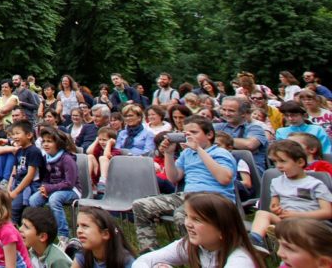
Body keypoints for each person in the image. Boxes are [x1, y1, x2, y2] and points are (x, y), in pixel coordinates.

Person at [131, 115, 237, 252]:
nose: (189, 136)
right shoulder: (187, 154)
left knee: (183, 215)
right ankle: (149, 252)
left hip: (214, 198)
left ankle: (198, 255)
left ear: (209, 134)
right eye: (186, 133)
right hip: (188, 196)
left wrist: (199, 150)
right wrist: (168, 154)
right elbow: (173, 178)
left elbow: (224, 178)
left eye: (194, 132)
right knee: (140, 205)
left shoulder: (219, 152)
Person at [132, 192, 264, 268]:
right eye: (187, 217)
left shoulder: (240, 260)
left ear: (222, 230)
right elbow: (143, 261)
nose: (188, 224)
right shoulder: (193, 246)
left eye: (197, 220)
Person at [248, 140, 332, 251]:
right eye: (274, 162)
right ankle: (256, 241)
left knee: (296, 228)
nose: (278, 166)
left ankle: (281, 236)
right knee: (261, 213)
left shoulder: (315, 184)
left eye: (282, 161)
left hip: (310, 223)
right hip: (286, 220)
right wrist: (276, 209)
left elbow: (327, 212)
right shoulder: (276, 182)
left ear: (300, 162)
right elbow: (274, 205)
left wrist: (296, 215)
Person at [27, 127, 81, 242]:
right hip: (53, 190)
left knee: (54, 199)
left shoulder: (67, 159)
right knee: (33, 200)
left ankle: (64, 235)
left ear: (59, 143)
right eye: (44, 141)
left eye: (49, 141)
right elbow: (46, 178)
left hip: (72, 190)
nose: (46, 144)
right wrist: (44, 187)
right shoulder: (46, 158)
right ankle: (43, 230)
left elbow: (69, 183)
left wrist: (49, 188)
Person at [214, 96, 269, 173]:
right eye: (224, 110)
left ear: (243, 113)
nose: (226, 113)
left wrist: (222, 141)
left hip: (250, 173)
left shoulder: (255, 128)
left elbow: (250, 145)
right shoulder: (217, 127)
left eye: (231, 111)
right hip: (221, 168)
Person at [8, 121, 45, 225]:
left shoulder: (34, 151)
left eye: (18, 133)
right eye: (13, 134)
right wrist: (9, 187)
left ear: (29, 135)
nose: (14, 137)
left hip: (30, 185)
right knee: (8, 207)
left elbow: (30, 175)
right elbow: (14, 171)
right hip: (18, 184)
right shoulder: (19, 151)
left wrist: (15, 192)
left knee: (14, 208)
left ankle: (15, 234)